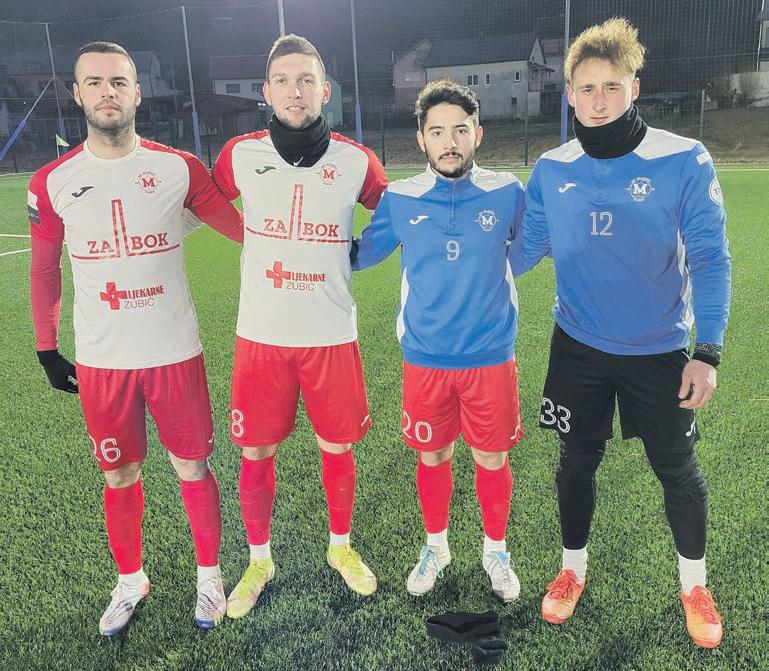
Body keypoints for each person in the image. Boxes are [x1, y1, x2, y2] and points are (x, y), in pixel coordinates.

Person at [509, 18, 730, 648]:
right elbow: (525, 252)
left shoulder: (683, 158)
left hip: (659, 350)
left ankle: (694, 585)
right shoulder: (551, 168)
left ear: (634, 86)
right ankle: (571, 570)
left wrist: (707, 351)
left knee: (677, 469)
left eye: (612, 85)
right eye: (587, 88)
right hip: (577, 346)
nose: (599, 99)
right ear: (569, 95)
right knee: (575, 462)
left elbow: (711, 258)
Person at [28, 41, 244, 635]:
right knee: (118, 475)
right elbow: (44, 270)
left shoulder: (179, 168)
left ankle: (208, 577)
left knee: (193, 467)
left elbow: (243, 230)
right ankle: (130, 580)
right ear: (77, 93)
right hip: (103, 360)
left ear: (137, 93)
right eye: (95, 82)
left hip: (173, 351)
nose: (108, 93)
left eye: (119, 82)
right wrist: (47, 348)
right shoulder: (52, 181)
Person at [212, 34, 387, 618]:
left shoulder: (356, 160)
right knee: (256, 449)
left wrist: (360, 252)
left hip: (330, 335)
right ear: (266, 91)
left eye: (306, 80)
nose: (295, 90)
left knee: (336, 444)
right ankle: (259, 560)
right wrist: (248, 240)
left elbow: (394, 214)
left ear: (324, 90)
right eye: (284, 80)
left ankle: (341, 546)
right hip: (261, 336)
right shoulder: (239, 154)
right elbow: (205, 201)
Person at [351, 79, 525, 602]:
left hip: (490, 355)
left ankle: (496, 552)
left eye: (460, 130)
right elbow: (363, 254)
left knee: (491, 458)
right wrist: (298, 247)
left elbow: (539, 243)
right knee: (432, 456)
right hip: (425, 356)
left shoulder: (507, 192)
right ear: (421, 139)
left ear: (478, 134)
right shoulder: (401, 198)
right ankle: (437, 547)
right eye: (437, 132)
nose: (450, 142)